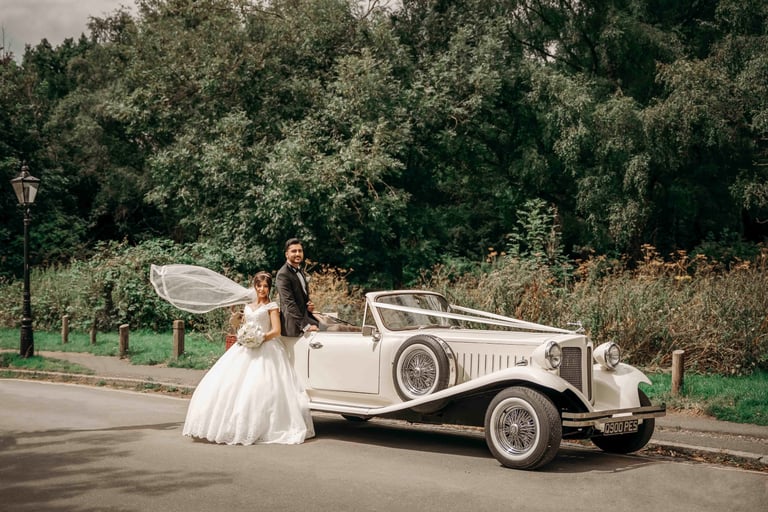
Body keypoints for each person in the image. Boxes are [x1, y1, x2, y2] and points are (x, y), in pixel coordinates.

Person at [182, 271, 315, 445]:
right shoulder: (247, 306)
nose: (262, 289)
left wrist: (259, 339)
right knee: (230, 385)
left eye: (265, 286)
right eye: (259, 286)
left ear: (269, 288)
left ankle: (265, 426)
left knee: (261, 387)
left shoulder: (272, 306)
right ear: (254, 286)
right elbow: (243, 325)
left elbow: (275, 331)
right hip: (245, 347)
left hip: (267, 348)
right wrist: (241, 332)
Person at [276, 238, 320, 336]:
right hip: (295, 327)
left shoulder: (300, 270)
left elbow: (301, 297)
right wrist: (305, 326)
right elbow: (289, 304)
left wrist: (309, 305)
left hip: (307, 319)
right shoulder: (283, 274)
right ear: (286, 254)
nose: (297, 254)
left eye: (300, 251)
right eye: (294, 251)